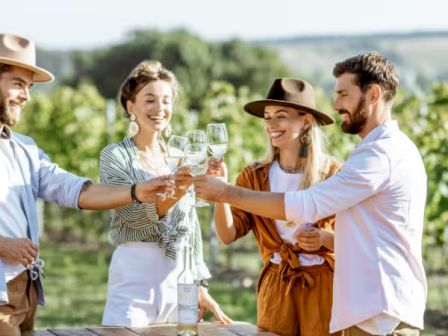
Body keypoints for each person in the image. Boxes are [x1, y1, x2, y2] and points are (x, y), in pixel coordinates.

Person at [194, 52, 427, 336]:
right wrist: (225, 193)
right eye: (268, 118)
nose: (337, 104)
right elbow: (365, 235)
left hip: (379, 314)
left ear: (373, 94)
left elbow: (307, 205)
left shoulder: (378, 155)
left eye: (343, 93)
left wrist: (225, 192)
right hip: (368, 310)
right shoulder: (384, 150)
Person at [0, 33, 173, 335]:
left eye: (29, 86)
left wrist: (135, 192)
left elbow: (73, 189)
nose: (27, 95)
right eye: (18, 83)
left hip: (22, 290)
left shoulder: (23, 149)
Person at [100, 60, 231, 327]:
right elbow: (131, 216)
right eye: (150, 100)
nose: (159, 109)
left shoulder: (181, 158)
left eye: (166, 101)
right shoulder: (115, 156)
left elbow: (190, 228)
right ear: (130, 107)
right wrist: (177, 193)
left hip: (180, 279)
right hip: (134, 276)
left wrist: (200, 284)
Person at [206, 78, 342, 336]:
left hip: (324, 286)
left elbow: (356, 240)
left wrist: (324, 239)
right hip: (277, 286)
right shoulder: (254, 176)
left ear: (306, 121)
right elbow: (227, 235)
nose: (271, 125)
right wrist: (221, 190)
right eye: (267, 118)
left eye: (281, 116)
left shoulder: (333, 174)